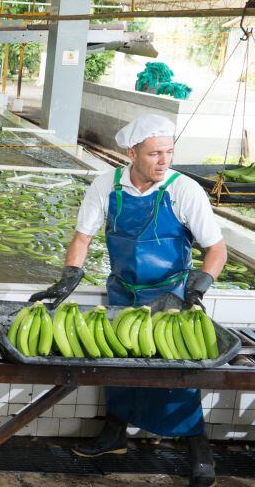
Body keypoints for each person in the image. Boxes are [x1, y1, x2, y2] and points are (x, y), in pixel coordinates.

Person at [29, 113, 226, 487]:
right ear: (132, 152)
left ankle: (198, 447)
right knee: (117, 366)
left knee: (176, 375)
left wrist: (198, 288)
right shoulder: (106, 185)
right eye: (155, 153)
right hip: (124, 291)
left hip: (172, 297)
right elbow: (82, 237)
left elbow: (216, 249)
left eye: (168, 152)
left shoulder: (183, 190)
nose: (164, 161)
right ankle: (115, 434)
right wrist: (70, 275)